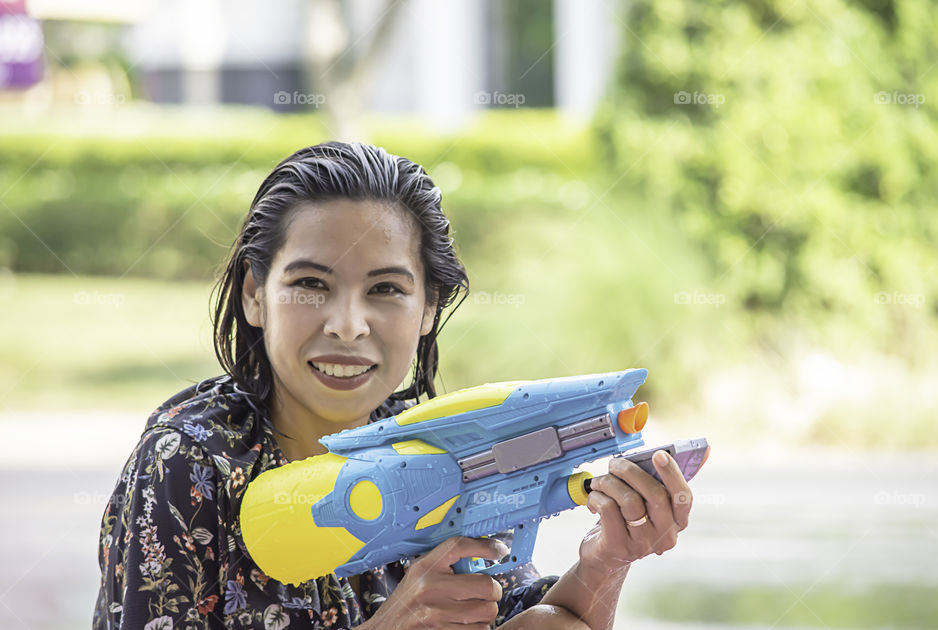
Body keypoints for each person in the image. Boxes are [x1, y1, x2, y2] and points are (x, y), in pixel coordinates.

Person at [93, 142, 698, 630]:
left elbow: (547, 623)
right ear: (256, 294)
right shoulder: (190, 465)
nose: (347, 325)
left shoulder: (445, 446)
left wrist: (607, 559)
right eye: (310, 283)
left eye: (385, 289)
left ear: (429, 306)